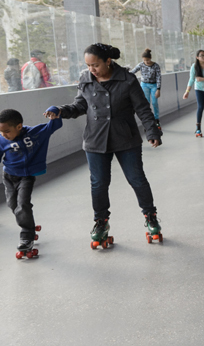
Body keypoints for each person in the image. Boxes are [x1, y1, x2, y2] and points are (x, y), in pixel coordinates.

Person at [47, 43, 163, 248]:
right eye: (88, 65)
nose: (91, 69)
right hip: (95, 139)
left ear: (108, 61)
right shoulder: (85, 79)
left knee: (137, 179)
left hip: (125, 138)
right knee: (99, 184)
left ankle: (151, 217)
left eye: (95, 65)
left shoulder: (127, 80)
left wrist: (152, 131)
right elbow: (80, 106)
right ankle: (101, 222)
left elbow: (143, 108)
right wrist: (61, 110)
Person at [0, 106, 62, 259]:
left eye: (7, 131)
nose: (4, 135)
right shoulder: (2, 139)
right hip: (9, 176)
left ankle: (26, 235)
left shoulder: (34, 134)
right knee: (12, 205)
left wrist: (53, 111)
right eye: (1, 132)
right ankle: (29, 224)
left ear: (19, 126)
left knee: (23, 205)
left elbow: (55, 125)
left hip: (26, 177)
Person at [129, 49, 162, 129]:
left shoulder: (156, 66)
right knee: (146, 103)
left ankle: (156, 119)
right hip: (144, 85)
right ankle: (148, 120)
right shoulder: (141, 65)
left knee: (154, 102)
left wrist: (158, 89)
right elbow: (133, 71)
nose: (146, 62)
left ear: (150, 58)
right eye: (144, 60)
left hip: (153, 85)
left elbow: (158, 78)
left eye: (147, 60)